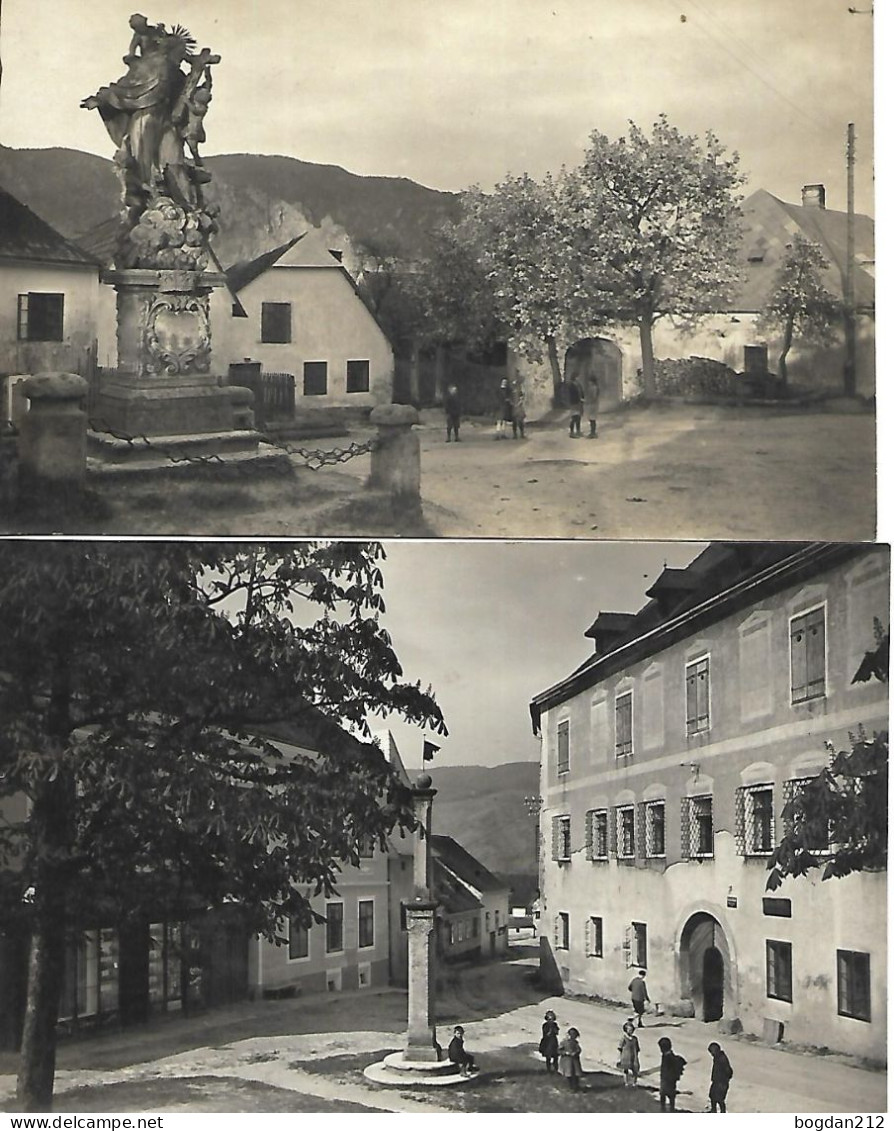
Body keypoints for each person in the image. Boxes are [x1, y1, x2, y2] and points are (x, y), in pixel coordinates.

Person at [657, 1036, 686, 1112]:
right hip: (671, 1080)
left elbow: (666, 1069)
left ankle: (664, 1110)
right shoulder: (669, 1055)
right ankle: (670, 1110)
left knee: (664, 1095)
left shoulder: (667, 1057)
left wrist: (664, 1077)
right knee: (671, 1096)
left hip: (667, 1079)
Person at [708, 1041, 733, 1113]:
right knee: (712, 1096)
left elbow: (728, 1071)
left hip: (721, 1082)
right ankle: (714, 1110)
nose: (712, 1054)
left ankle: (722, 1112)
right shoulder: (717, 1058)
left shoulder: (722, 1059)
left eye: (712, 1052)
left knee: (719, 1099)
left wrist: (724, 1080)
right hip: (717, 1081)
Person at [557, 1026, 583, 1091]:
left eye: (574, 1035)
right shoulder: (564, 1043)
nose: (573, 1037)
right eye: (571, 1035)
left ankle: (576, 1086)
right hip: (567, 1061)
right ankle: (571, 1087)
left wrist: (576, 1052)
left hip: (575, 1061)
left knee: (576, 1074)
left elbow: (579, 1049)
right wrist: (565, 1053)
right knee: (569, 1074)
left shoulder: (575, 1043)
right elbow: (559, 1050)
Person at [617, 1019, 640, 1087]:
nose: (631, 1031)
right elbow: (620, 1048)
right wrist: (619, 1058)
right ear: (626, 1030)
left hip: (634, 1056)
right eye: (629, 1030)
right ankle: (626, 1082)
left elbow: (637, 1048)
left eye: (632, 1030)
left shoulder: (635, 1039)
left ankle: (634, 1083)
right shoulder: (623, 1038)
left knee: (635, 1069)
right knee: (625, 1069)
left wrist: (637, 1056)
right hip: (626, 1056)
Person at [583, 373, 600, 438]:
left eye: (589, 381)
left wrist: (588, 401)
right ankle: (592, 432)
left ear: (591, 381)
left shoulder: (594, 388)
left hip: (593, 404)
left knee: (592, 419)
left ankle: (593, 433)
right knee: (592, 419)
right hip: (593, 404)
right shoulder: (594, 387)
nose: (589, 383)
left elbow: (594, 397)